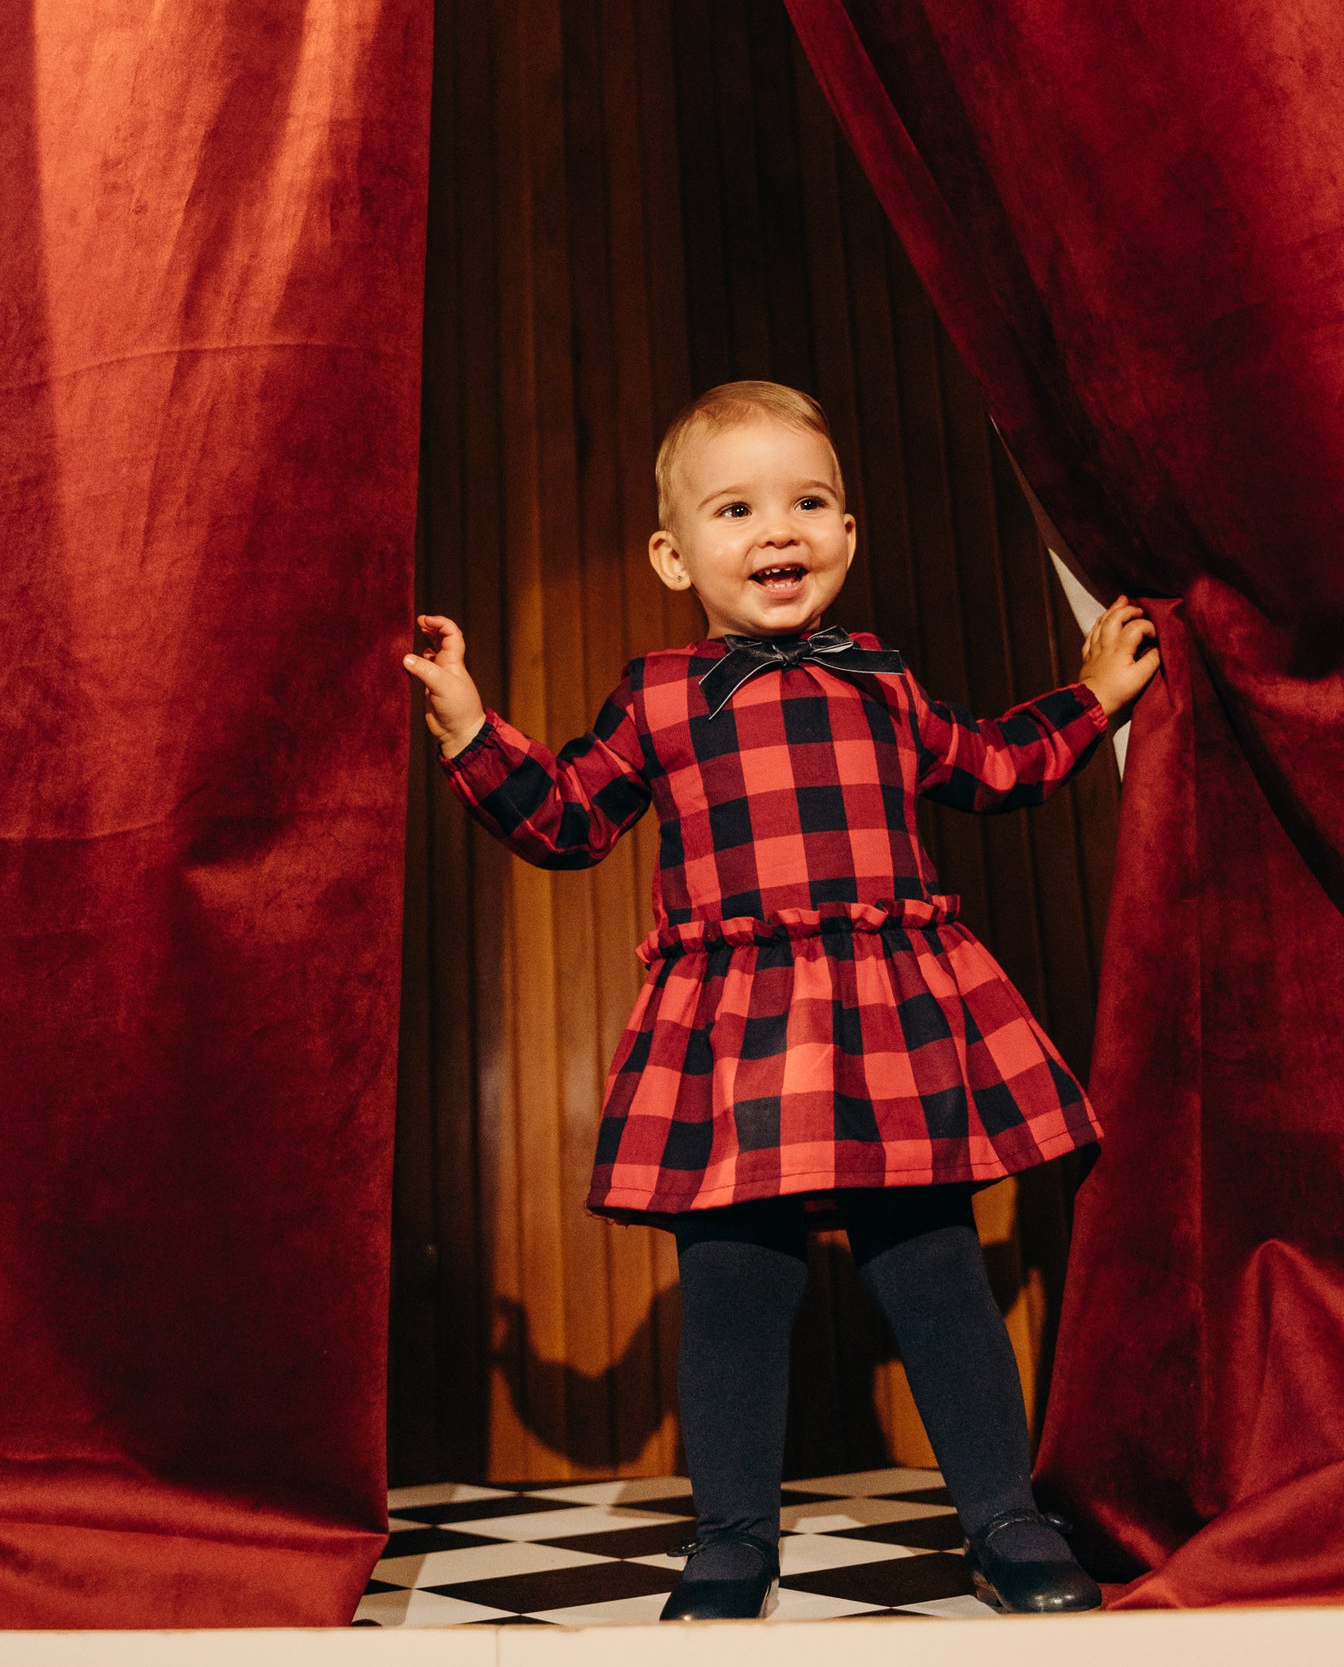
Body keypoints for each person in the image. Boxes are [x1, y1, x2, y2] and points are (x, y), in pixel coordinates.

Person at [404, 380, 1157, 1620]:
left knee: (933, 1268)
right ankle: (732, 1537)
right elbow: (566, 816)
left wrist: (1092, 693)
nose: (777, 531)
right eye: (736, 507)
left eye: (807, 502)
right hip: (737, 1033)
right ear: (671, 553)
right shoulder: (658, 693)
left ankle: (1006, 1519)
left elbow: (996, 764)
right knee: (734, 1280)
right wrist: (471, 722)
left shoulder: (885, 680)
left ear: (848, 534)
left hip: (883, 1017)